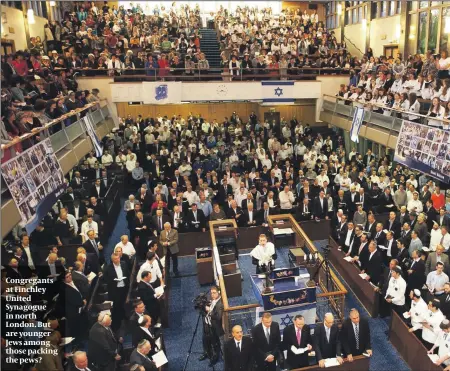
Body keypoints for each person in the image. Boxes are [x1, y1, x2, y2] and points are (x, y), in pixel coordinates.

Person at [103, 253, 129, 332]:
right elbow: (106, 279)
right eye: (115, 259)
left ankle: (125, 322)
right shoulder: (108, 268)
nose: (118, 260)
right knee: (116, 307)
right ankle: (116, 326)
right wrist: (114, 280)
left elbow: (127, 273)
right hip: (114, 291)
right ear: (112, 260)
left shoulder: (124, 264)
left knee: (124, 305)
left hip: (124, 288)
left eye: (118, 258)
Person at [199, 286, 224, 366]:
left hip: (214, 328)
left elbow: (218, 317)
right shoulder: (212, 300)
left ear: (219, 292)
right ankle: (206, 352)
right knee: (205, 340)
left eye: (214, 293)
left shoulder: (220, 304)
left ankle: (215, 358)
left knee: (215, 343)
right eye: (211, 293)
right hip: (207, 325)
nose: (212, 295)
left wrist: (209, 310)